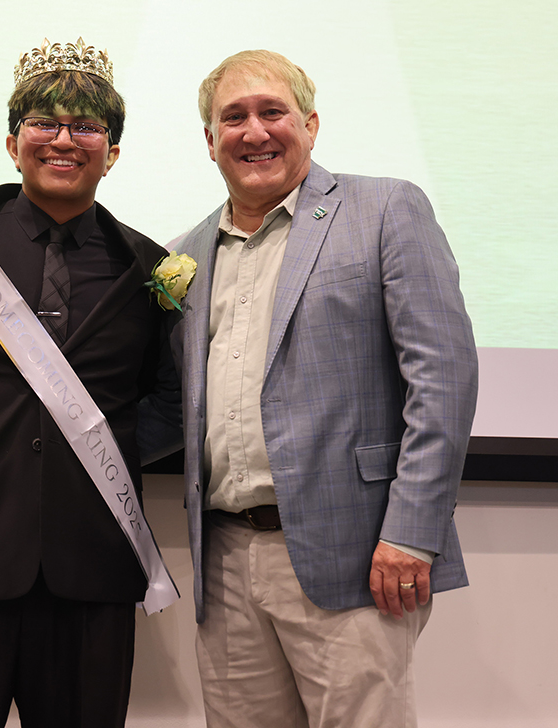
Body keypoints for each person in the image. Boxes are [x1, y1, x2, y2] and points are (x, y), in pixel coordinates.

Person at [140, 50, 478, 727]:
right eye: (232, 117)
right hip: (225, 560)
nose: (253, 131)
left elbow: (442, 379)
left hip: (356, 555)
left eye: (273, 112)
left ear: (311, 124)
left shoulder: (386, 209)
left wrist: (411, 535)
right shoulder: (185, 254)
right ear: (209, 141)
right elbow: (177, 407)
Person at [0, 39, 177, 728]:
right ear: (12, 141)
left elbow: (159, 400)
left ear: (112, 151)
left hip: (93, 564)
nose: (64, 139)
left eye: (86, 127)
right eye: (43, 123)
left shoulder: (150, 266)